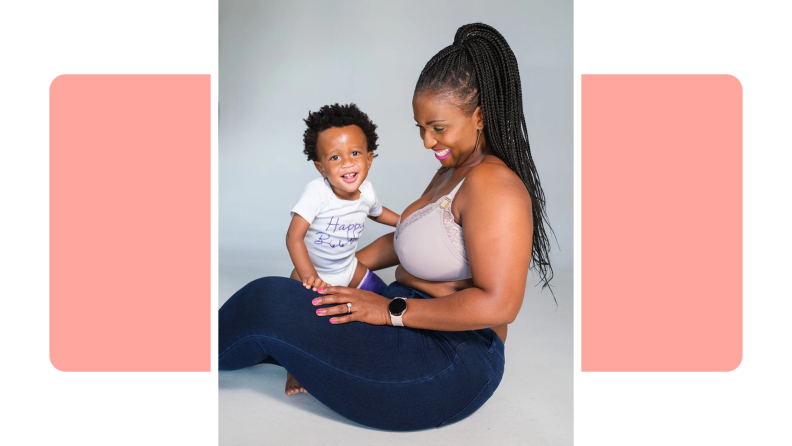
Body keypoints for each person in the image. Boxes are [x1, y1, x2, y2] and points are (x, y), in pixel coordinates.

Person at [219, 23, 555, 431]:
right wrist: (336, 273)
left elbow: (500, 305)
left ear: (479, 117)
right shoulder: (451, 173)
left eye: (438, 127)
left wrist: (390, 310)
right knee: (287, 298)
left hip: (450, 360)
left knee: (267, 303)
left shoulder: (494, 185)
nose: (427, 142)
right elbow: (407, 241)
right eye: (420, 127)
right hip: (408, 320)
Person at [284, 103, 399, 394]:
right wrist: (309, 276)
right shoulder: (317, 193)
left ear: (369, 159)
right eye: (335, 157)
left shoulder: (367, 191)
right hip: (313, 275)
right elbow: (294, 237)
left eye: (355, 154)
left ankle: (391, 343)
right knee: (301, 330)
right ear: (321, 167)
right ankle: (294, 372)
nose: (347, 163)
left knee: (384, 298)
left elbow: (377, 212)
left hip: (348, 269)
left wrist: (404, 222)